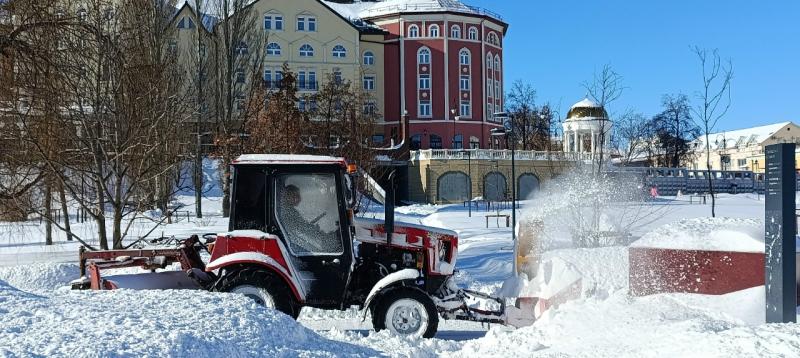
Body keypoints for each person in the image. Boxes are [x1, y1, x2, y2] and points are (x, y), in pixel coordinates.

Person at [278, 184, 331, 254]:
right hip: (292, 245)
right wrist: (317, 232)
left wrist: (315, 230)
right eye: (295, 196)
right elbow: (301, 228)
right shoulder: (287, 211)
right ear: (287, 197)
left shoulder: (288, 209)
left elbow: (302, 226)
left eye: (298, 196)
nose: (299, 199)